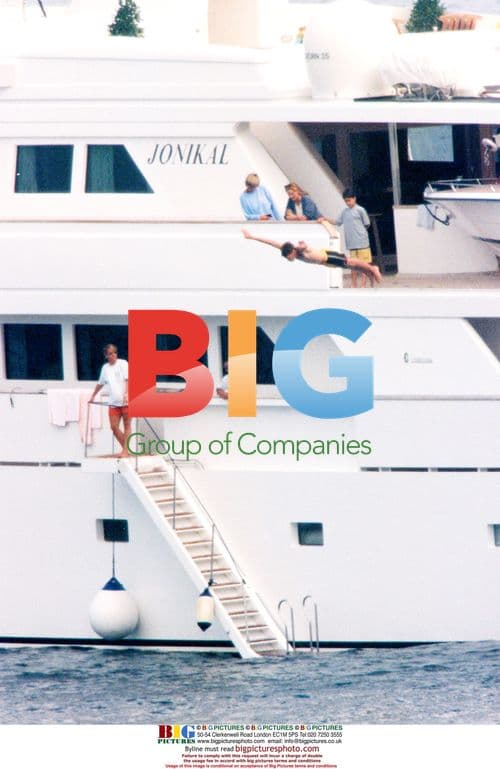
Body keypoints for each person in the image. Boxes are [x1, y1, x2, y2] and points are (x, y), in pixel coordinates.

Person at [242, 221, 381, 285]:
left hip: (328, 257)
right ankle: (369, 273)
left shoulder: (298, 250)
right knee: (352, 266)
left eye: (288, 257)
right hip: (326, 260)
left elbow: (305, 247)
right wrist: (252, 237)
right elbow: (271, 242)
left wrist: (303, 246)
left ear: (292, 252)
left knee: (351, 262)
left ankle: (372, 268)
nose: (289, 259)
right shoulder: (288, 249)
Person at [89, 344, 131, 457]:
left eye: (114, 353)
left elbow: (128, 379)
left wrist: (127, 393)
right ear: (106, 355)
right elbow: (100, 383)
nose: (113, 355)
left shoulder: (123, 363)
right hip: (113, 402)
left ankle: (125, 451)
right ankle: (126, 449)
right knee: (114, 427)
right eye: (110, 354)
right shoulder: (105, 368)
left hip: (126, 401)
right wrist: (93, 395)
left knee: (127, 425)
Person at [335, 189, 373, 288]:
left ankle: (363, 285)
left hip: (362, 242)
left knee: (364, 264)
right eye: (346, 201)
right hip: (352, 243)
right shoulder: (344, 212)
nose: (348, 203)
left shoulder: (360, 210)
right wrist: (324, 219)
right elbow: (337, 222)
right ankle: (353, 284)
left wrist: (360, 233)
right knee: (353, 265)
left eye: (349, 200)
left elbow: (367, 224)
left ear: (354, 198)